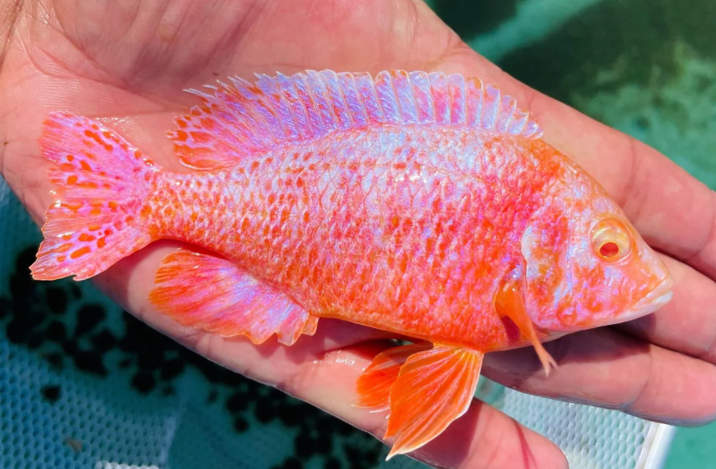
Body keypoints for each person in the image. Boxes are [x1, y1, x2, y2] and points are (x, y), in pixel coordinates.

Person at [1, 1, 715, 467]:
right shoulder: (521, 230)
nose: (633, 273)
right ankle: (137, 202)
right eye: (610, 249)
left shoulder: (534, 198)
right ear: (541, 241)